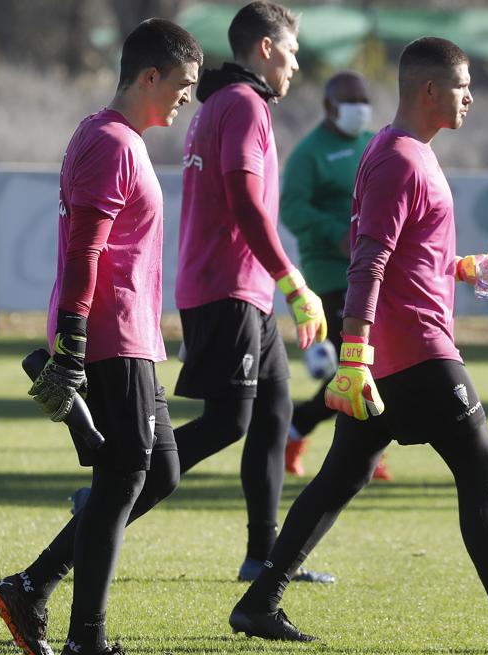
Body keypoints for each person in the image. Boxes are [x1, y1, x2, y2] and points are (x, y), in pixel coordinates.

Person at [228, 37, 488, 653]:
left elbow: (409, 254)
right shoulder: (401, 158)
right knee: (481, 467)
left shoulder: (403, 152)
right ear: (429, 91)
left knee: (341, 477)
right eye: (461, 86)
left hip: (393, 353)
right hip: (415, 352)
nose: (469, 96)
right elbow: (369, 263)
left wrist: (466, 267)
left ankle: (259, 601)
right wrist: (355, 355)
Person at [0, 20, 202, 655]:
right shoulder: (110, 143)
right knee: (121, 479)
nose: (186, 100)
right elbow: (86, 248)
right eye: (183, 85)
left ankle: (32, 587)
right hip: (110, 335)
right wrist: (74, 343)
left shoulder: (118, 140)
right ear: (148, 77)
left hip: (129, 335)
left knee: (155, 470)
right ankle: (86, 645)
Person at [173, 1, 333, 585]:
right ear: (266, 48)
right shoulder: (242, 105)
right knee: (228, 422)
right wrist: (296, 284)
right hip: (229, 287)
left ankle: (262, 558)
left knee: (273, 413)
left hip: (244, 289)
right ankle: (113, 485)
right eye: (291, 51)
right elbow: (243, 204)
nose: (295, 64)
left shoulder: (222, 103)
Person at [279, 70, 390, 481]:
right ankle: (309, 434)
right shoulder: (310, 153)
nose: (360, 111)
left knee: (372, 365)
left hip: (375, 270)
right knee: (356, 365)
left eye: (365, 102)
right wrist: (335, 233)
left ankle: (303, 431)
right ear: (329, 106)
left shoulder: (373, 142)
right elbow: (291, 208)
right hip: (331, 275)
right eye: (350, 102)